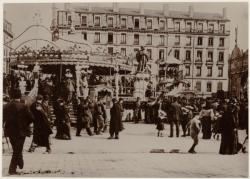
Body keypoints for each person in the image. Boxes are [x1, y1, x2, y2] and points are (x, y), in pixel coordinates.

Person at [3, 89, 34, 175]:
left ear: (11, 96)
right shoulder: (23, 106)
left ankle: (19, 162)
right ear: (20, 96)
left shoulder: (5, 106)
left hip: (10, 131)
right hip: (21, 131)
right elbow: (31, 118)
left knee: (16, 149)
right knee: (17, 150)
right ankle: (12, 169)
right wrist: (25, 124)